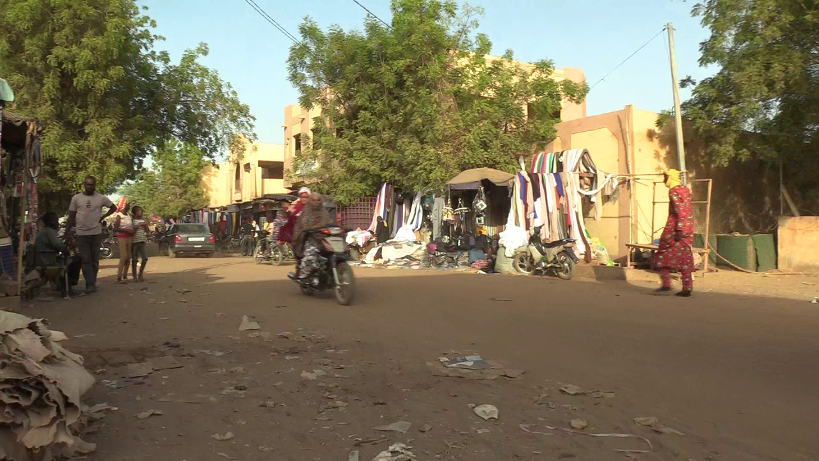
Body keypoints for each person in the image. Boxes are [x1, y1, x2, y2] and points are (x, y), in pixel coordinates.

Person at [66, 175, 116, 294]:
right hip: (81, 233)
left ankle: (92, 282)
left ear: (95, 185)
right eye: (88, 184)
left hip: (96, 233)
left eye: (92, 184)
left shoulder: (101, 198)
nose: (90, 186)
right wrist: (66, 232)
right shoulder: (76, 198)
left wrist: (103, 217)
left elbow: (114, 207)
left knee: (94, 260)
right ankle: (90, 284)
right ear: (84, 184)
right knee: (85, 259)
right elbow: (71, 216)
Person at [654, 169, 695, 297]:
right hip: (688, 227)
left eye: (665, 178)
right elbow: (686, 211)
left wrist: (679, 229)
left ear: (671, 178)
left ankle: (666, 284)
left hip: (675, 228)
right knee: (685, 257)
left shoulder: (674, 191)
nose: (663, 180)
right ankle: (687, 287)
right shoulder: (685, 190)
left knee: (662, 254)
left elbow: (680, 211)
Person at [35, 212, 81, 296]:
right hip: (48, 261)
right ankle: (67, 287)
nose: (58, 223)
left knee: (68, 260)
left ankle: (62, 285)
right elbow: (59, 246)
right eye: (56, 221)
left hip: (42, 259)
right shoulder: (49, 231)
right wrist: (66, 248)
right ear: (52, 222)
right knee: (77, 260)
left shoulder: (42, 232)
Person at [290, 193, 330, 284]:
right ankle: (304, 275)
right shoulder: (306, 211)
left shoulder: (324, 212)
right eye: (314, 200)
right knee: (311, 257)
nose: (316, 202)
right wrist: (316, 227)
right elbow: (305, 225)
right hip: (308, 237)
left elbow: (329, 222)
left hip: (323, 237)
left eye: (318, 200)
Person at [113, 197, 135, 283]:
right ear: (123, 205)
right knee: (123, 256)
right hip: (122, 237)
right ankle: (119, 276)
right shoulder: (119, 215)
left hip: (129, 237)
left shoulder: (128, 215)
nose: (129, 206)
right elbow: (115, 228)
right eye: (127, 204)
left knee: (128, 257)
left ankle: (125, 275)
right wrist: (127, 230)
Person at [131, 206, 150, 282]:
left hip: (142, 240)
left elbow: (147, 231)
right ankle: (134, 276)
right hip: (134, 241)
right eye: (139, 211)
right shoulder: (132, 220)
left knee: (145, 258)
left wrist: (145, 225)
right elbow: (131, 230)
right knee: (134, 259)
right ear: (135, 212)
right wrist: (138, 225)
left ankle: (140, 274)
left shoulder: (143, 220)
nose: (141, 212)